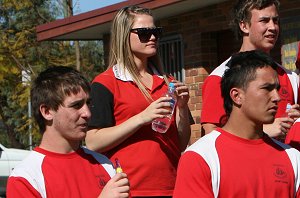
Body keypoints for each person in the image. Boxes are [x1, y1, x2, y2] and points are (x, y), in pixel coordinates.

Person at [85, 5, 192, 197]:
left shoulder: (169, 82)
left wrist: (182, 109)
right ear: (124, 36)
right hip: (128, 190)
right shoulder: (106, 83)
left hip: (173, 188)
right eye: (144, 33)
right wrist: (142, 118)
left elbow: (182, 143)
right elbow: (93, 142)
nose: (152, 37)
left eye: (155, 32)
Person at [173, 50, 300, 197]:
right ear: (237, 95)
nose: (277, 97)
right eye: (267, 89)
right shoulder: (201, 157)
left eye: (277, 89)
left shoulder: (292, 157)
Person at [6, 66, 130, 198]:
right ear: (47, 112)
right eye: (76, 105)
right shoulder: (26, 178)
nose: (87, 113)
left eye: (88, 103)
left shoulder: (104, 164)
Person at [201, 0, 300, 139]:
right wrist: (262, 132)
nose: (273, 27)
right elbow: (211, 136)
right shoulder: (220, 77)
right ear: (244, 25)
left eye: (275, 20)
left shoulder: (291, 77)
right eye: (264, 20)